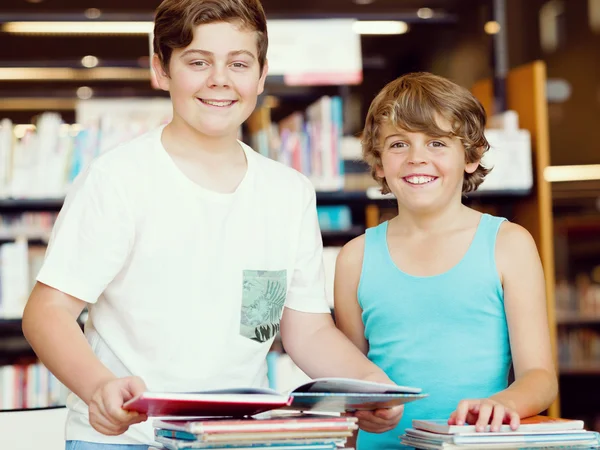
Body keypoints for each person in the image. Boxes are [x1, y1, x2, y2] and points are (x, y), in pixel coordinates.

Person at [21, 1, 402, 448]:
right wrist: (96, 385)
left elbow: (308, 330)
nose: (219, 80)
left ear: (261, 75)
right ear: (161, 70)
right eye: (197, 62)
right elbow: (46, 313)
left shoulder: (288, 192)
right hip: (129, 438)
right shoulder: (119, 179)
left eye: (238, 64)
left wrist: (370, 383)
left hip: (236, 437)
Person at [334, 72, 558, 448]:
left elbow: (540, 376)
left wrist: (503, 403)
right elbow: (349, 381)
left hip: (477, 443)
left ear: (470, 157)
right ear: (377, 164)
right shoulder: (354, 258)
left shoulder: (509, 244)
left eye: (437, 142)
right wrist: (357, 406)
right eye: (398, 144)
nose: (416, 158)